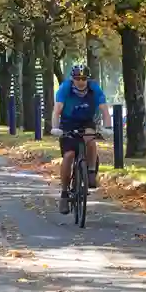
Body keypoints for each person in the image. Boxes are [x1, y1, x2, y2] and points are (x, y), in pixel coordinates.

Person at [50, 65, 111, 214]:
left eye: (84, 78)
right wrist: (55, 127)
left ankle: (90, 172)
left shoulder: (94, 89)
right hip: (68, 123)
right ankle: (64, 193)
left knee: (90, 138)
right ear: (72, 79)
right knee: (69, 155)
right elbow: (57, 110)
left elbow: (104, 109)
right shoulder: (65, 88)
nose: (81, 82)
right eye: (77, 79)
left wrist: (108, 127)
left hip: (86, 121)